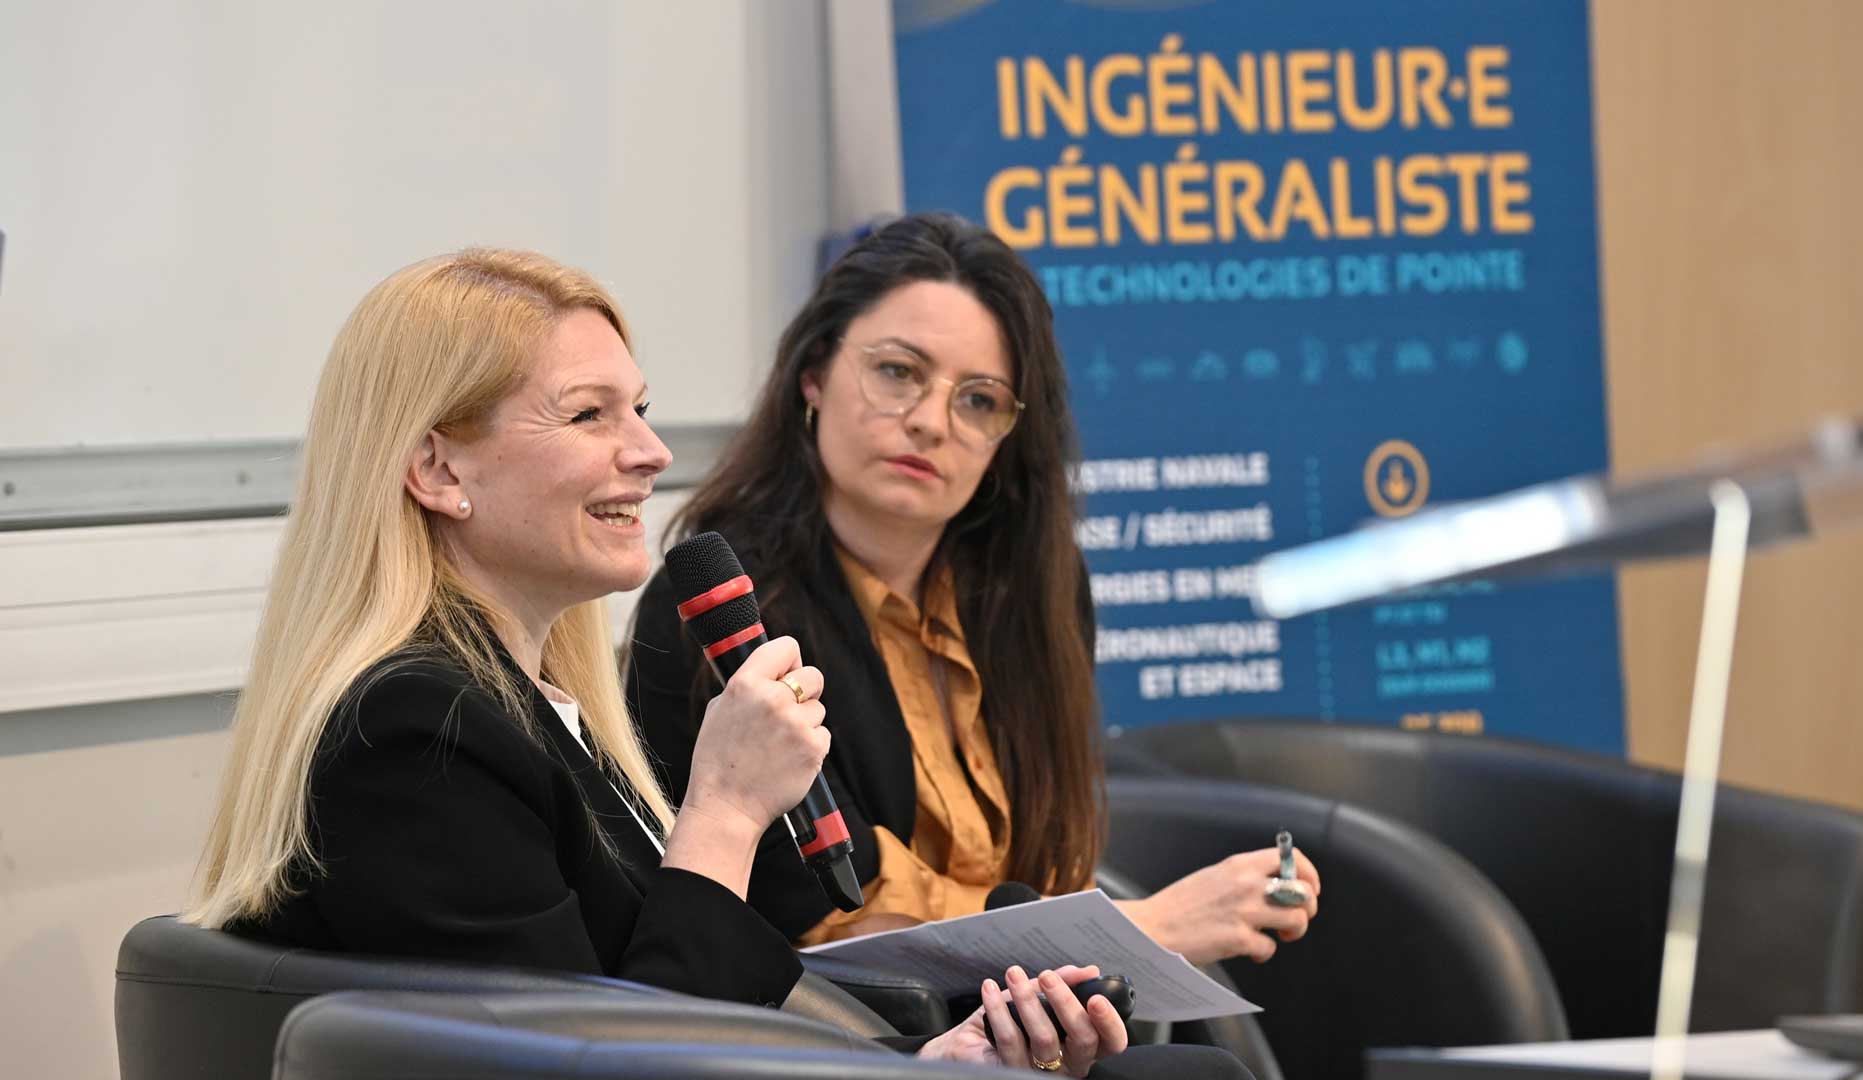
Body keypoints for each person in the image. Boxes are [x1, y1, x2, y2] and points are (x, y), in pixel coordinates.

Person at [182, 247, 1165, 1077]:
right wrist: (728, 810)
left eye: (640, 410)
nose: (651, 452)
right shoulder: (416, 736)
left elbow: (682, 1010)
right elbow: (621, 1062)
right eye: (589, 417)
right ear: (439, 469)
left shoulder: (532, 710)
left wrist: (942, 1062)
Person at [627, 213, 1322, 968]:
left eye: (980, 400)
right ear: (815, 375)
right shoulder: (720, 608)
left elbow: (1048, 865)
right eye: (897, 372)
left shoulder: (1031, 595)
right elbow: (825, 911)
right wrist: (1143, 932)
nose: (930, 422)